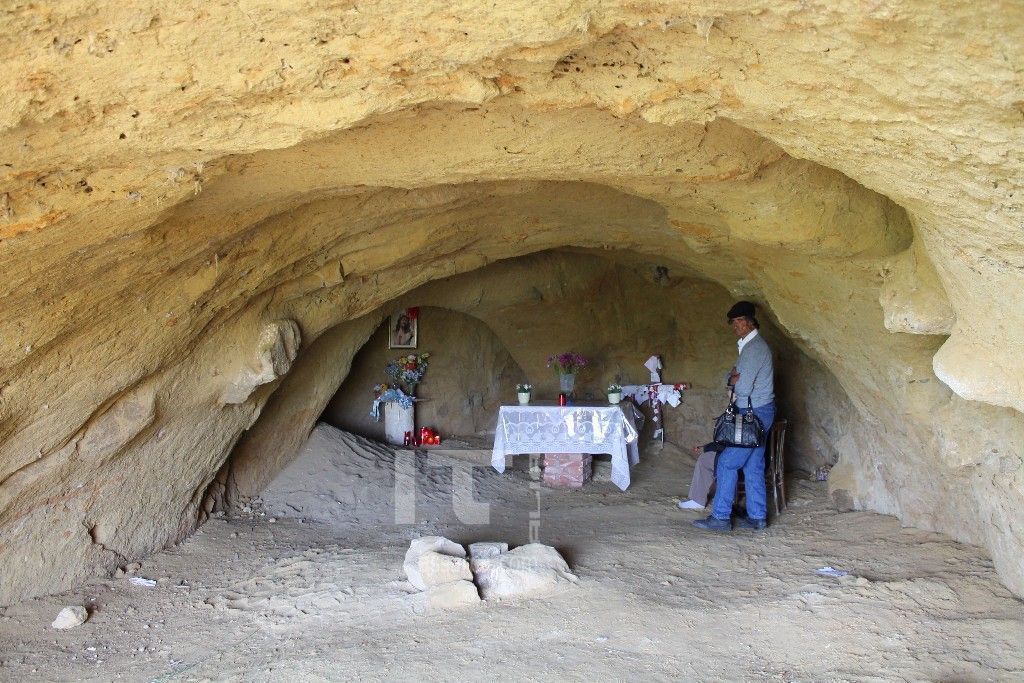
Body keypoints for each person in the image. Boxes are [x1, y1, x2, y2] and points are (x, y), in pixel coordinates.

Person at [693, 301, 776, 532]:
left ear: (750, 322)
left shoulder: (754, 349)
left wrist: (733, 381)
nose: (735, 326)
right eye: (734, 322)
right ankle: (757, 516)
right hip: (760, 412)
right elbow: (729, 377)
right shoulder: (750, 348)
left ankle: (720, 517)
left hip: (753, 414)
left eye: (740, 321)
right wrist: (731, 378)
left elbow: (743, 389)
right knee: (753, 465)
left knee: (728, 463)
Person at [677, 441, 724, 510]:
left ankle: (698, 501)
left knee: (705, 459)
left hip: (734, 453)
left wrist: (708, 447)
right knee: (710, 454)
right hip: (739, 450)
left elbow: (727, 441)